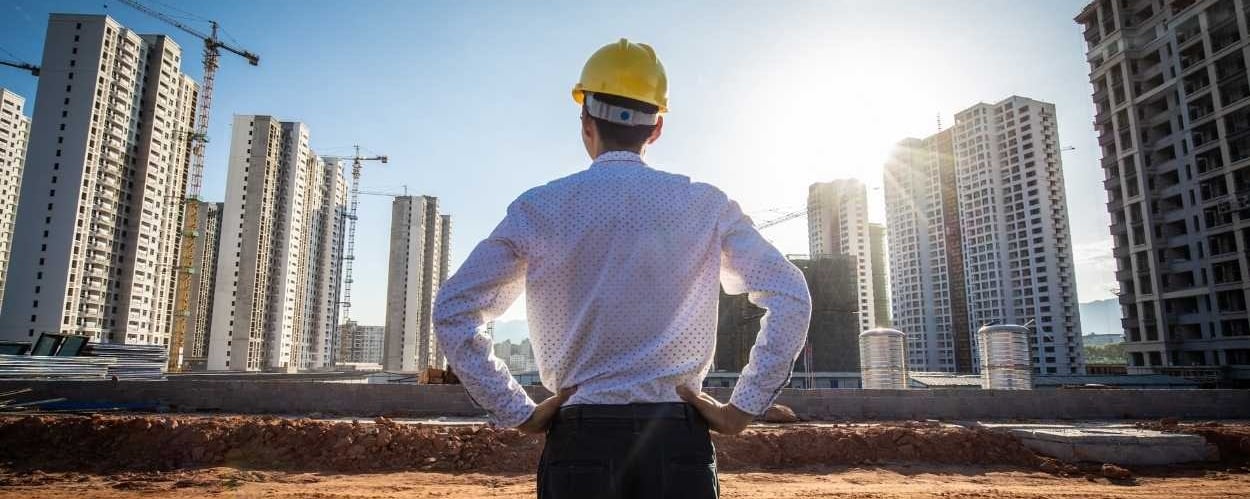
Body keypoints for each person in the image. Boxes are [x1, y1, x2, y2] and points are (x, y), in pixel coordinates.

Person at [434, 38, 811, 499]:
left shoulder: (539, 208)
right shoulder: (706, 205)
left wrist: (519, 411)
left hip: (579, 441)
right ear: (656, 130)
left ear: (586, 123)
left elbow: (454, 308)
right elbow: (790, 295)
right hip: (677, 443)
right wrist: (743, 408)